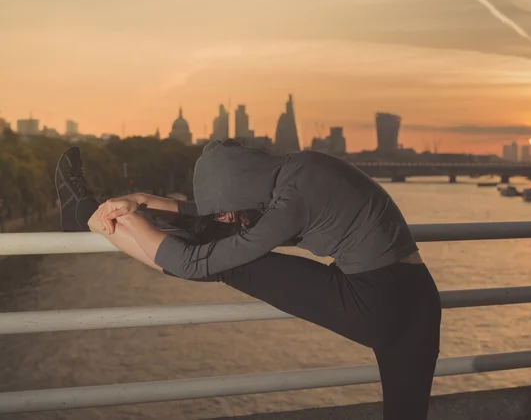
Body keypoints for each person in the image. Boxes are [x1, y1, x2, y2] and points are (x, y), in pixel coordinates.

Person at [55, 141, 441, 419]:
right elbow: (213, 212)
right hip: (420, 302)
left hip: (375, 301)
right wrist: (143, 199)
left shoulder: (292, 202)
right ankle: (84, 215)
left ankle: (84, 214)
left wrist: (134, 221)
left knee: (223, 261)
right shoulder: (300, 172)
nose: (226, 217)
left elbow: (195, 261)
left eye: (227, 210)